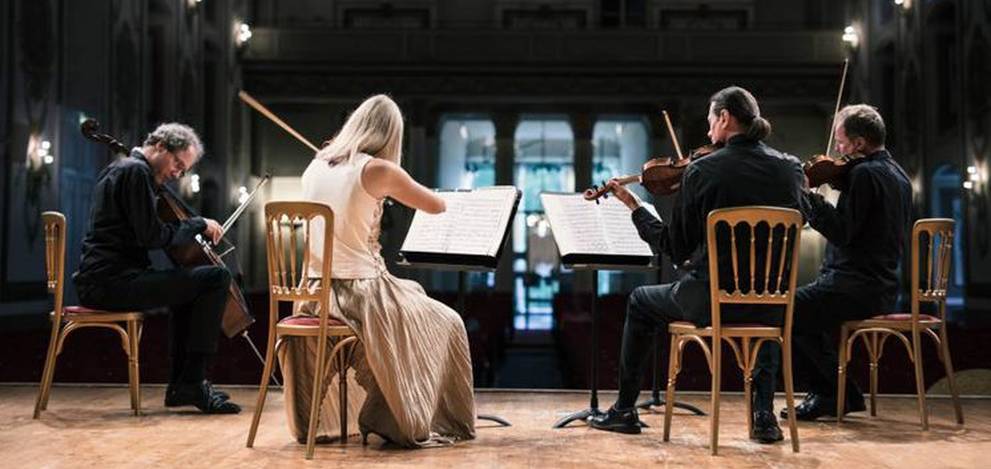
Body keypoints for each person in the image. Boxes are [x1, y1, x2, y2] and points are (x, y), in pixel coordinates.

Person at [588, 86, 805, 444]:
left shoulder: (704, 171)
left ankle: (624, 410)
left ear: (724, 117)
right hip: (773, 304)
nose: (707, 134)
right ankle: (764, 417)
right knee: (762, 301)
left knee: (641, 301)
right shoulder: (790, 168)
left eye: (710, 122)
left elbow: (674, 247)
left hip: (710, 301)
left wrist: (634, 207)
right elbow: (803, 218)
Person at [279, 94, 476, 447]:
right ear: (390, 135)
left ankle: (388, 404)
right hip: (359, 295)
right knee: (447, 322)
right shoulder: (379, 169)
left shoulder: (316, 165)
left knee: (414, 298)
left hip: (313, 293)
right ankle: (402, 413)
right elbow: (435, 205)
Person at [73, 123, 240, 414]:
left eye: (183, 169)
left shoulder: (128, 171)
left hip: (108, 279)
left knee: (190, 289)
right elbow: (151, 236)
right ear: (160, 146)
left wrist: (185, 225)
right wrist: (197, 224)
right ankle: (191, 382)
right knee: (217, 276)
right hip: (111, 282)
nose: (178, 172)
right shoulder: (135, 172)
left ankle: (183, 386)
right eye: (177, 163)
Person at [769, 104, 912, 421]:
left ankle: (834, 392)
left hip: (856, 287)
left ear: (860, 144)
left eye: (842, 142)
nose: (837, 150)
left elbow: (843, 232)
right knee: (803, 311)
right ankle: (836, 391)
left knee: (784, 309)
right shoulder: (898, 175)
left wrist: (811, 198)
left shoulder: (863, 174)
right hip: (883, 286)